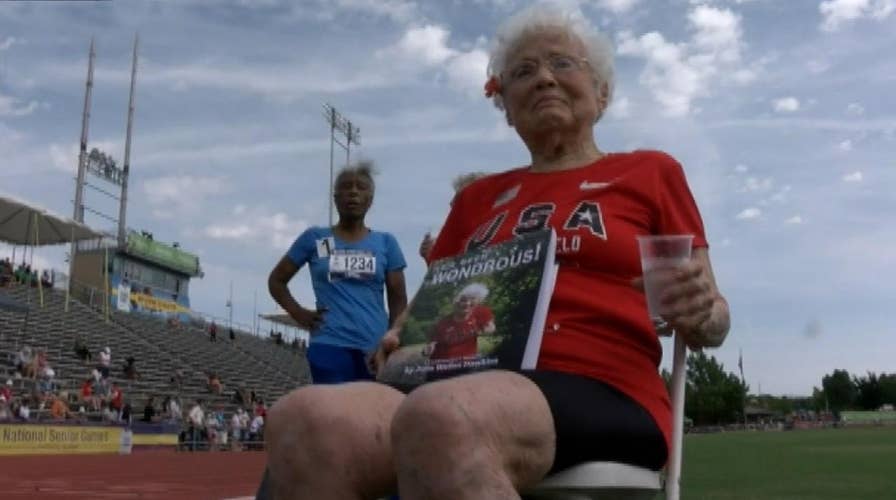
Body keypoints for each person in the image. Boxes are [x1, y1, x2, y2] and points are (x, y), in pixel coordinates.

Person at [263, 4, 730, 499]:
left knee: (442, 416)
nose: (544, 78)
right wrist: (399, 335)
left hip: (603, 382)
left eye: (563, 64)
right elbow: (427, 305)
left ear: (603, 92)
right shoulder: (475, 200)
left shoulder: (649, 173)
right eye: (524, 71)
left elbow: (712, 316)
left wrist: (702, 312)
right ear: (505, 105)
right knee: (303, 420)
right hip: (458, 379)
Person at [268, 161, 408, 384]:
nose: (353, 191)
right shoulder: (316, 238)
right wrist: (298, 312)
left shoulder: (386, 243)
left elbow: (398, 302)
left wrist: (391, 342)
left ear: (370, 200)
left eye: (361, 187)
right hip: (329, 344)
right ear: (335, 198)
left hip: (373, 348)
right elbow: (276, 280)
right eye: (346, 186)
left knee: (370, 414)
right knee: (334, 414)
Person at [423, 283, 496, 361]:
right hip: (443, 365)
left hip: (468, 363)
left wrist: (488, 329)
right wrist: (427, 350)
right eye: (463, 300)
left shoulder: (481, 312)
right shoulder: (441, 323)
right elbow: (429, 347)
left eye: (472, 299)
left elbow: (491, 327)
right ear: (455, 303)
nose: (468, 303)